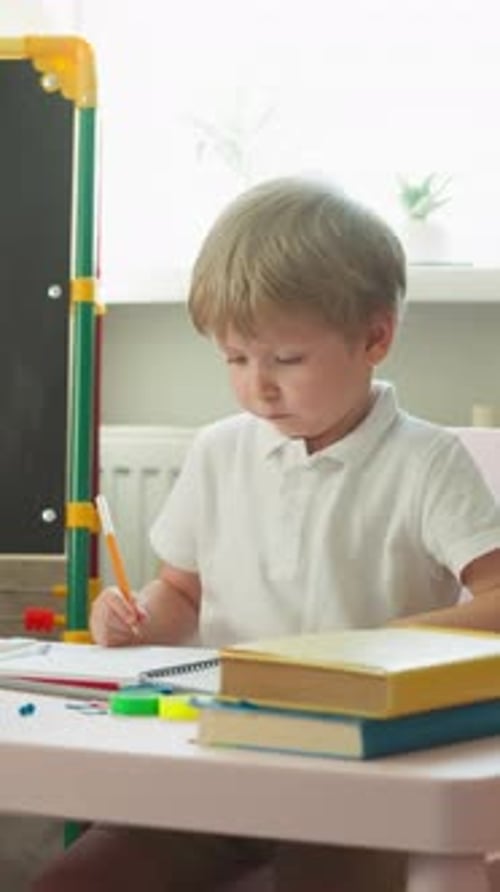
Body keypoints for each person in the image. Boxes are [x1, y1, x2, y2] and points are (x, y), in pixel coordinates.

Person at [33, 178, 500, 892]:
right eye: (235, 359)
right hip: (224, 755)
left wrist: (389, 645)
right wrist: (132, 620)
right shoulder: (220, 450)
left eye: (286, 360)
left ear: (375, 337)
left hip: (363, 774)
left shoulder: (425, 459)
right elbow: (181, 591)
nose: (259, 388)